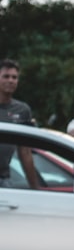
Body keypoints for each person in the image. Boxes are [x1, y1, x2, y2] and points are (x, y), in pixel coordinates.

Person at [0, 58, 40, 188]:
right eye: (6, 76)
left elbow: (25, 152)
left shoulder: (22, 110)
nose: (11, 80)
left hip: (4, 178)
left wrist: (35, 189)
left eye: (14, 77)